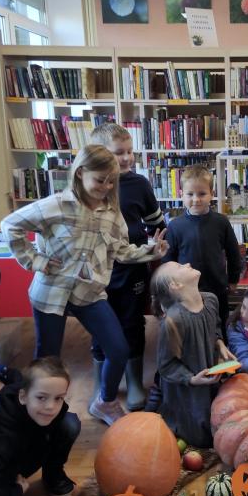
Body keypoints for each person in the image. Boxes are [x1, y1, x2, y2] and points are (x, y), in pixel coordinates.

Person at [0, 145, 168, 426]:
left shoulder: (111, 213)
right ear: (80, 174)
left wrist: (151, 251)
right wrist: (34, 260)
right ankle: (41, 415)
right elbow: (10, 225)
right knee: (48, 360)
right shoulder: (57, 204)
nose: (106, 186)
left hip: (89, 292)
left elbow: (120, 250)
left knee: (118, 348)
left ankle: (105, 401)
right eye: (99, 179)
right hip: (51, 291)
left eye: (111, 181)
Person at [90, 124, 166, 411]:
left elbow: (158, 224)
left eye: (129, 151)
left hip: (132, 269)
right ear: (98, 155)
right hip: (97, 272)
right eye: (117, 152)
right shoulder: (90, 187)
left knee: (132, 323)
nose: (126, 158)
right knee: (100, 325)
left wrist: (159, 244)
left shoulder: (140, 185)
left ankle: (134, 382)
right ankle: (101, 385)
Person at [0, 357, 80, 496]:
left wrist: (6, 372)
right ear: (23, 397)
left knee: (70, 423)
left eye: (58, 398)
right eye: (41, 397)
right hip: (2, 465)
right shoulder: (5, 439)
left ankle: (52, 474)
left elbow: (17, 378)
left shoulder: (33, 394)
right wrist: (17, 491)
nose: (50, 406)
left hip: (29, 450)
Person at [151, 261, 235, 448]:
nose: (187, 263)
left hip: (211, 374)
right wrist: (191, 379)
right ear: (176, 286)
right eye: (180, 267)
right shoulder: (174, 320)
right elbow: (166, 365)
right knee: (199, 437)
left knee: (218, 419)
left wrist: (220, 343)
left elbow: (216, 327)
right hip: (187, 387)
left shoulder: (211, 300)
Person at [163, 165, 242, 336]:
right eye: (190, 194)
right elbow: (168, 261)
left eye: (202, 194)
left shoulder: (221, 222)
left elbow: (233, 252)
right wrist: (169, 286)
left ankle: (221, 357)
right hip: (187, 289)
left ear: (211, 194)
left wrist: (234, 278)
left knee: (219, 324)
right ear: (181, 194)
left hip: (217, 286)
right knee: (190, 328)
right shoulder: (175, 226)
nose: (196, 199)